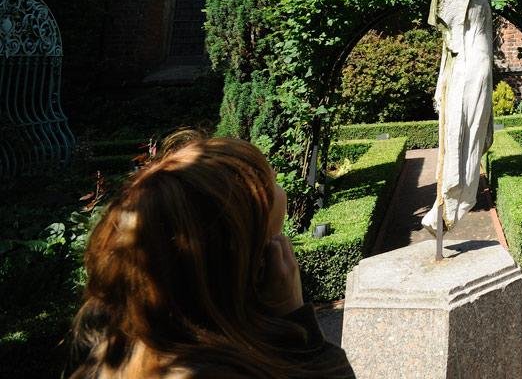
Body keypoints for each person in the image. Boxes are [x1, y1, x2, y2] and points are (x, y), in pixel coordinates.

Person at [67, 131, 355, 378]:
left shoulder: (116, 349)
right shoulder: (217, 370)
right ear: (244, 270)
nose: (283, 260)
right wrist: (298, 322)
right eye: (272, 245)